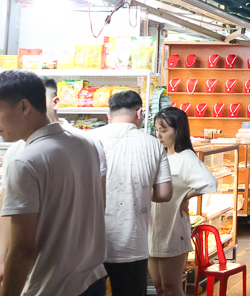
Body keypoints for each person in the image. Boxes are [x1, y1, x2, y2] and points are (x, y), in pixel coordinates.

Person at [0, 70, 107, 295]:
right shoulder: (86, 144)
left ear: (23, 107)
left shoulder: (25, 161)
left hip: (51, 286)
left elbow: (22, 249)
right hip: (91, 278)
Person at [91, 90, 173, 296]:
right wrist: (141, 193)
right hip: (132, 243)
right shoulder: (153, 144)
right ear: (139, 113)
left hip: (89, 242)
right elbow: (164, 193)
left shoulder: (87, 139)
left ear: (109, 115)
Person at [148, 107, 217, 296]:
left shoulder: (186, 157)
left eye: (164, 130)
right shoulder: (158, 155)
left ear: (178, 131)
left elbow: (209, 183)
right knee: (159, 286)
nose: (159, 135)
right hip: (152, 226)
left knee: (171, 286)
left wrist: (185, 197)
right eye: (157, 130)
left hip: (172, 227)